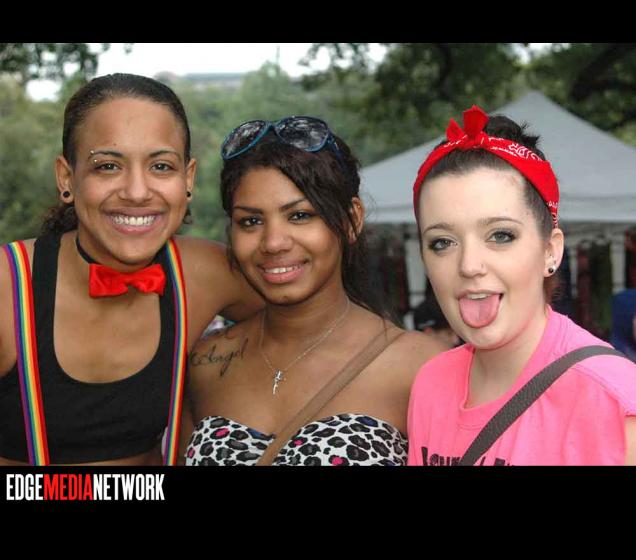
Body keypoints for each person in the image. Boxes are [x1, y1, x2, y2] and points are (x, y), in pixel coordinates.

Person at [0, 73, 262, 466]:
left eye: (161, 166)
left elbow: (318, 320)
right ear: (67, 178)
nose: (137, 192)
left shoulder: (201, 273)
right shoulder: (8, 287)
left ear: (188, 178)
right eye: (107, 166)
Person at [184, 116, 446, 466]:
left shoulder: (422, 367)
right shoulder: (205, 364)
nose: (273, 242)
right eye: (251, 221)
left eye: (300, 216)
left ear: (351, 220)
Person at [407, 105, 636, 466]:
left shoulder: (613, 402)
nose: (469, 265)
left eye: (501, 235)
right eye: (442, 242)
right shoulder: (430, 384)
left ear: (550, 250)